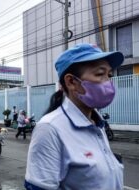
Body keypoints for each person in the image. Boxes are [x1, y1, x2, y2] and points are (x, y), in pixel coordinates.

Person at [25, 43, 125, 190]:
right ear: (71, 81)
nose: (108, 82)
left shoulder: (97, 123)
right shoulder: (50, 128)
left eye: (109, 75)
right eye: (99, 74)